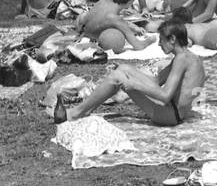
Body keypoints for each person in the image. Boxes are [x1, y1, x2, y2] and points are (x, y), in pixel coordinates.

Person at [57, 20, 205, 126]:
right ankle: (86, 110)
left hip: (170, 115)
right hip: (174, 112)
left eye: (161, 40)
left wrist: (133, 84)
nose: (159, 44)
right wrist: (129, 71)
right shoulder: (187, 57)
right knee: (124, 69)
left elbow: (165, 96)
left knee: (117, 77)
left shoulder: (181, 59)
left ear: (172, 39)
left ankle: (77, 113)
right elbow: (156, 81)